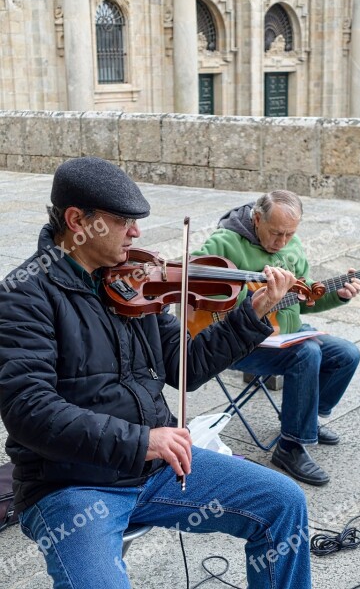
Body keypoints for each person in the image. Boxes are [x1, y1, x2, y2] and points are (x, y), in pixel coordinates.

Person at [0, 157, 310, 589]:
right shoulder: (23, 297)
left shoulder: (133, 281)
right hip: (72, 485)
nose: (136, 233)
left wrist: (251, 315)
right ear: (77, 221)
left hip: (156, 468)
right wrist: (142, 440)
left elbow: (188, 366)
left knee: (284, 502)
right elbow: (28, 410)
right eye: (124, 221)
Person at [193, 189, 360, 487]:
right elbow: (195, 280)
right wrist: (257, 299)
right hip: (237, 341)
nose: (282, 242)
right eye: (276, 233)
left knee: (347, 354)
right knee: (307, 353)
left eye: (289, 234)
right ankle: (290, 446)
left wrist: (338, 294)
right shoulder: (225, 242)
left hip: (285, 336)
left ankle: (306, 418)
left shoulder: (292, 246)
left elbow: (306, 297)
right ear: (257, 219)